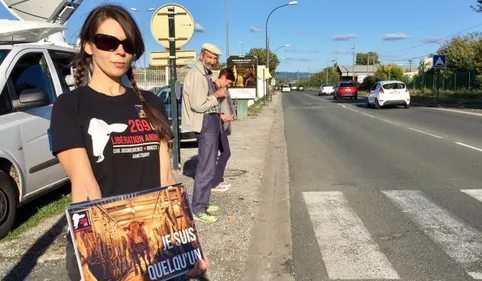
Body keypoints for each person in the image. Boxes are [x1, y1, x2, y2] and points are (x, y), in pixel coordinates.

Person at [49, 4, 208, 280]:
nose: (120, 51)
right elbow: (85, 187)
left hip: (157, 246)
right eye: (108, 42)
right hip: (104, 248)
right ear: (88, 46)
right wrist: (108, 266)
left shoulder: (152, 103)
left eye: (128, 43)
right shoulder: (70, 106)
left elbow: (166, 178)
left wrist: (187, 244)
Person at [182, 43, 227, 223]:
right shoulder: (196, 75)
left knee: (209, 164)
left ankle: (203, 202)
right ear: (201, 56)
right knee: (206, 166)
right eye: (210, 57)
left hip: (211, 120)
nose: (213, 61)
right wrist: (216, 96)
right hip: (204, 121)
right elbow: (198, 104)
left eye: (215, 58)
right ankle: (198, 208)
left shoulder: (207, 75)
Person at [211, 68, 236, 192]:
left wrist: (230, 115)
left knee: (225, 152)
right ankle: (215, 182)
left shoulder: (223, 90)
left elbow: (227, 105)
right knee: (223, 153)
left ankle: (218, 179)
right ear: (223, 77)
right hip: (213, 125)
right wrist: (222, 116)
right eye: (229, 82)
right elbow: (210, 109)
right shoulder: (213, 88)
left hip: (221, 124)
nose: (229, 85)